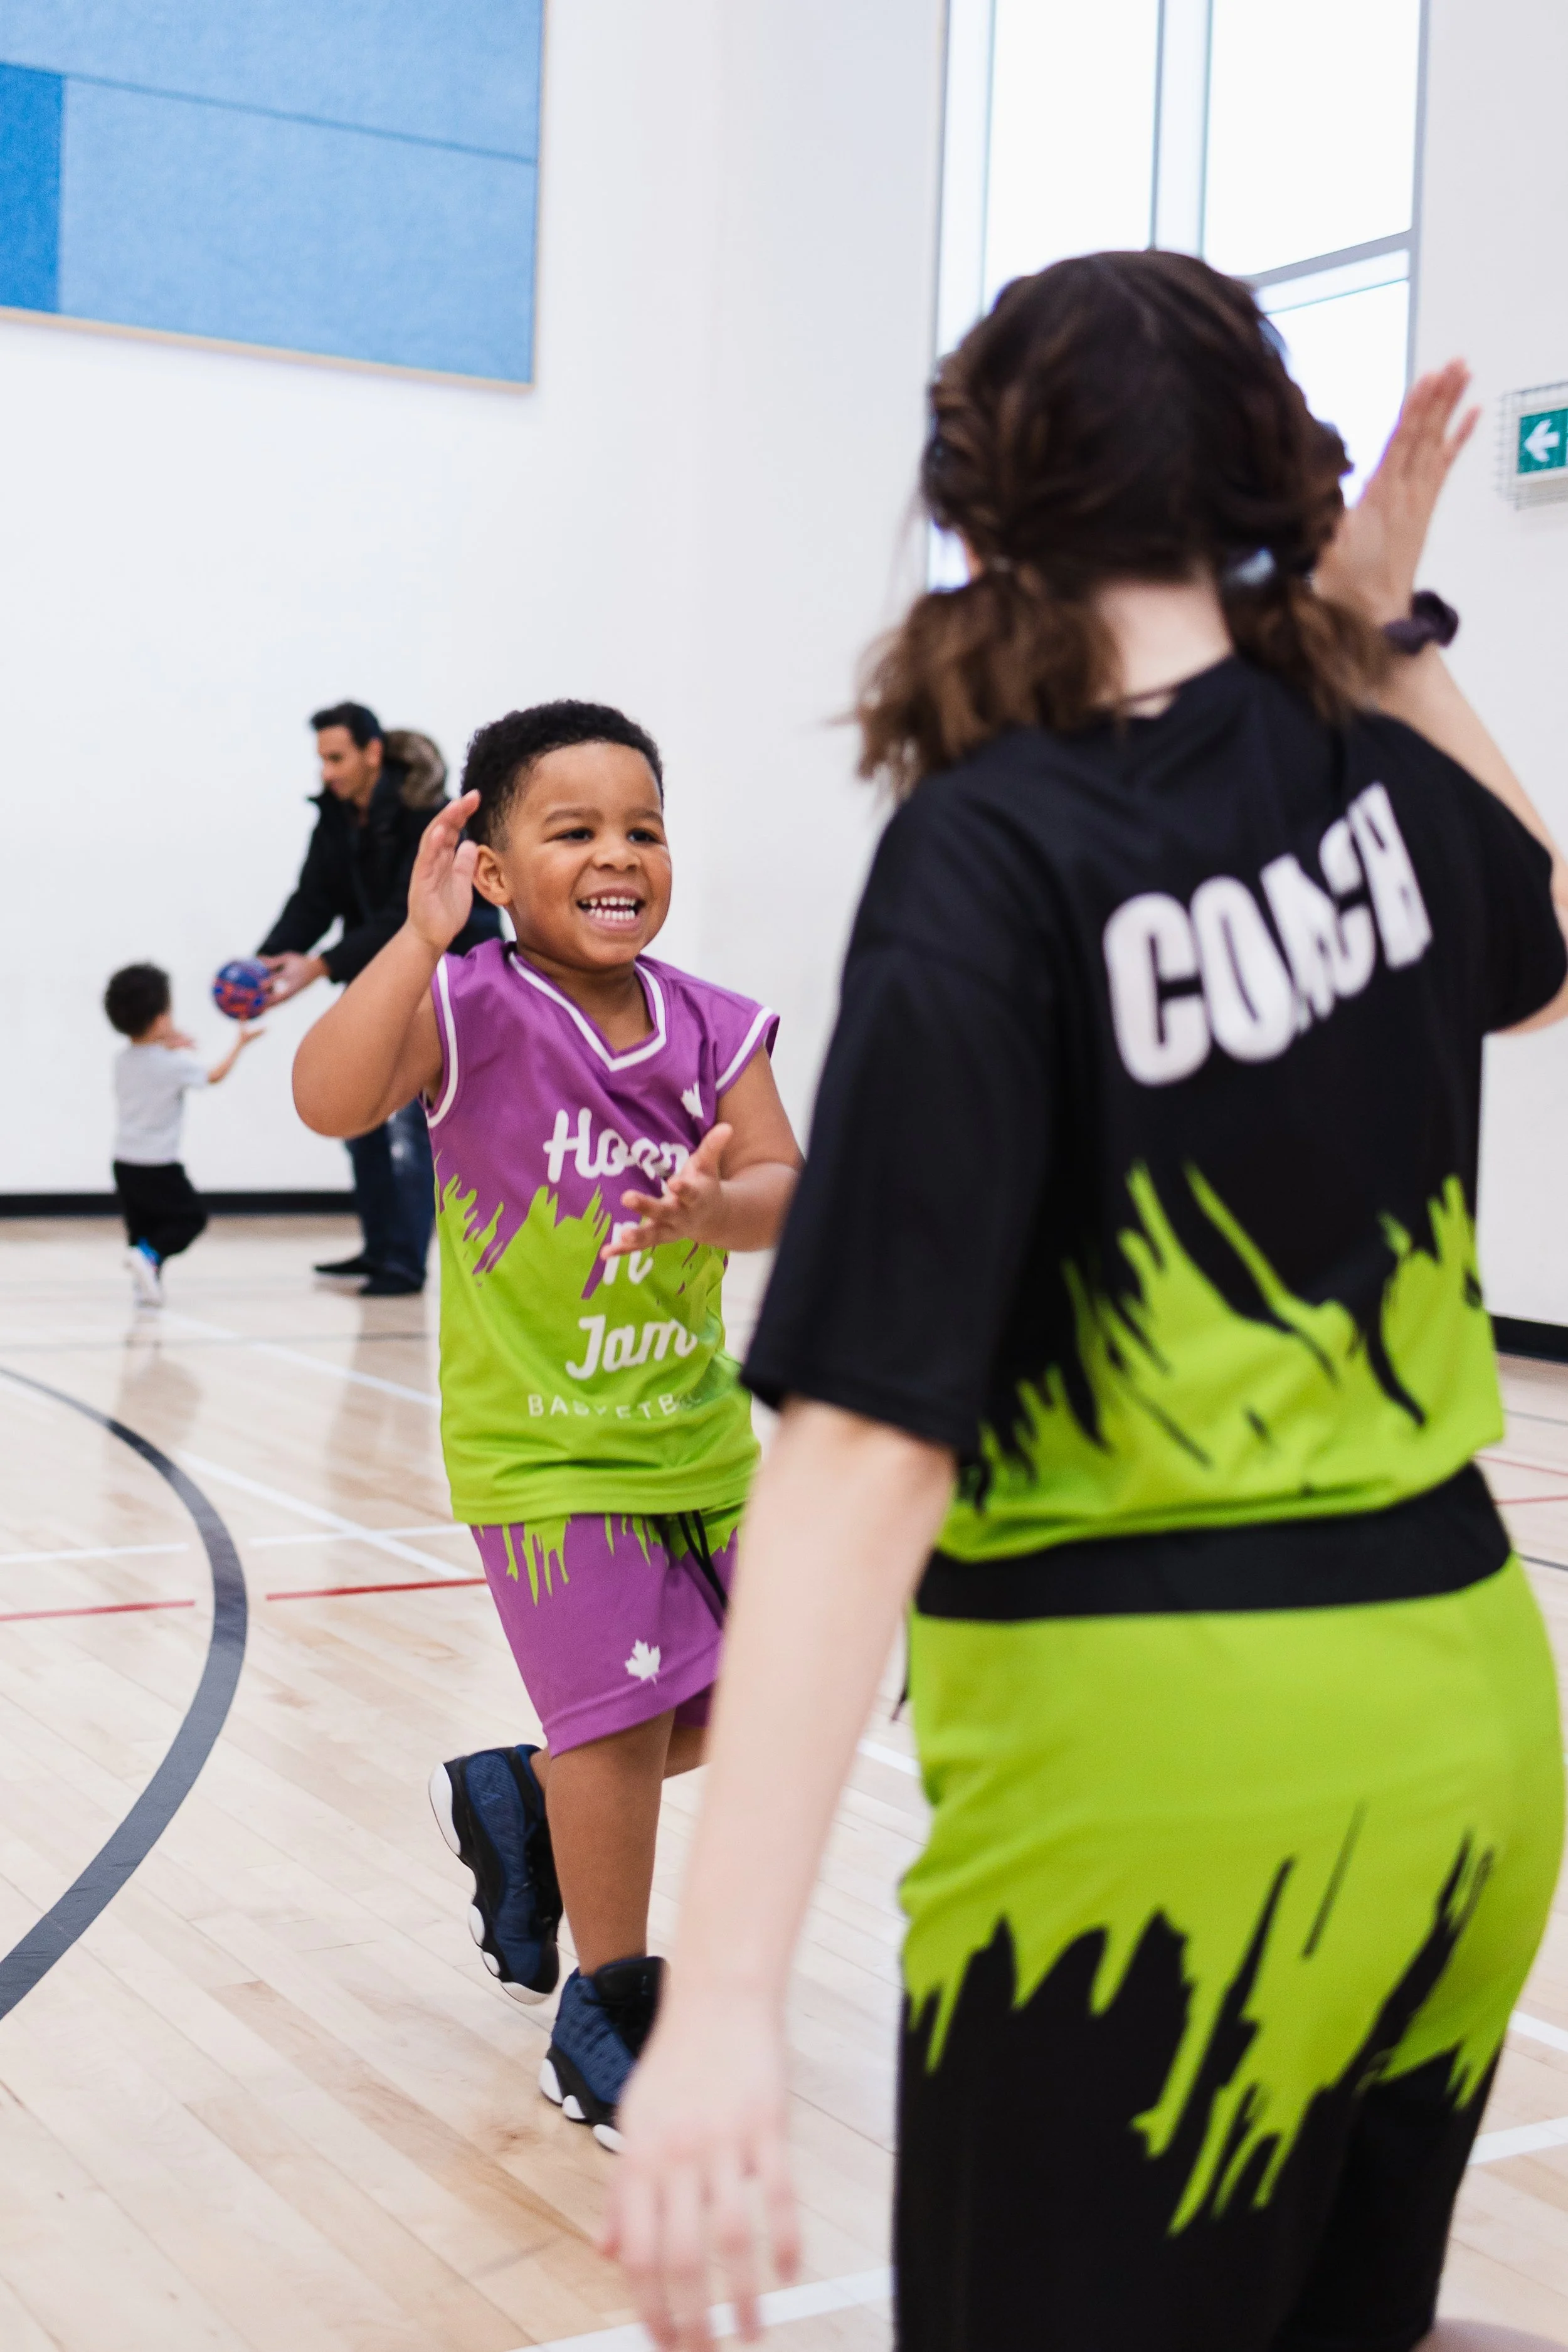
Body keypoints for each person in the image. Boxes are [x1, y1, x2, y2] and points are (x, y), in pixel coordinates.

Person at [606, 257, 1568, 2352]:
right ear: (1270, 491)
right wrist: (1389, 639)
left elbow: (867, 1440)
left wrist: (728, 1999)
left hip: (1161, 1800)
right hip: (1470, 1744)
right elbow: (1548, 936)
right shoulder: (1379, 785)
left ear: (974, 509)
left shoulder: (991, 851)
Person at [291, 699, 802, 2150]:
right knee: (624, 1720)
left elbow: (787, 1179)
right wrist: (414, 935)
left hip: (698, 1438)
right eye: (571, 829)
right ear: (497, 867)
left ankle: (523, 1792)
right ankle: (606, 2014)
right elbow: (329, 1096)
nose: (617, 852)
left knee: (752, 1708)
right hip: (545, 1456)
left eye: (640, 825)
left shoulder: (713, 1019)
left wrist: (719, 1206)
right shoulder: (469, 1003)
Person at [258, 702, 501, 1295]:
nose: (328, 772)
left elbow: (406, 915)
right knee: (360, 1116)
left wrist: (319, 965)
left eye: (336, 758)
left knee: (414, 1130)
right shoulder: (338, 817)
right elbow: (313, 897)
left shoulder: (425, 814)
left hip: (452, 977)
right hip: (383, 973)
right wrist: (265, 962)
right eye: (321, 760)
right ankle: (378, 1248)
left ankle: (404, 1263)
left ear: (372, 753)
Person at [104, 960, 262, 1307]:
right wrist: (241, 1044)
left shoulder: (123, 1059)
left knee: (142, 1228)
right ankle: (150, 1259)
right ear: (161, 1019)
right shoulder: (172, 1065)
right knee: (190, 1219)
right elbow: (214, 1076)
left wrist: (165, 1046)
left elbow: (148, 1068)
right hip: (158, 1164)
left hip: (124, 1162)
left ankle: (145, 1283)